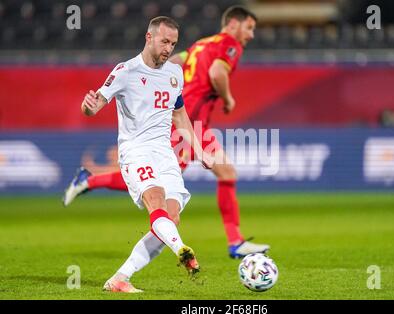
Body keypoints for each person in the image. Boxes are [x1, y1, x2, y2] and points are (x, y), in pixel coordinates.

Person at [63, 5, 270, 259]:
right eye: (248, 28)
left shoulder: (203, 44)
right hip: (186, 122)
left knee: (226, 171)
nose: (250, 35)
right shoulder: (231, 46)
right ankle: (89, 180)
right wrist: (228, 99)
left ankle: (235, 241)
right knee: (160, 184)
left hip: (196, 123)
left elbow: (175, 60)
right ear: (234, 24)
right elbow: (217, 73)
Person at [80, 16, 214, 293]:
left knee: (171, 218)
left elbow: (180, 118)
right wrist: (89, 107)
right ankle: (184, 251)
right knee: (156, 201)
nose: (169, 48)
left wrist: (200, 151)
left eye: (173, 43)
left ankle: (120, 279)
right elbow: (95, 106)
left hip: (165, 154)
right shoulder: (125, 71)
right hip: (135, 151)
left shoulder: (175, 73)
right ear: (149, 37)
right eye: (165, 41)